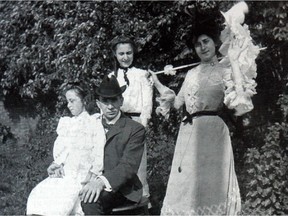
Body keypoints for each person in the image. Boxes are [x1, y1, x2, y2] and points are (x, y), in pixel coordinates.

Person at [151, 21, 257, 215]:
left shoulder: (225, 71)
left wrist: (233, 61)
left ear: (215, 43)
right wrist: (159, 82)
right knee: (186, 185)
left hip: (212, 133)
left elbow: (240, 101)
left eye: (206, 41)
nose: (203, 47)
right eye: (198, 44)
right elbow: (176, 103)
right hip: (188, 133)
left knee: (210, 185)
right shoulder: (191, 73)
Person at [26, 83, 106, 216]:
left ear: (84, 101)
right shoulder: (68, 124)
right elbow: (63, 152)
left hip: (83, 177)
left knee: (60, 205)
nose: (69, 105)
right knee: (39, 198)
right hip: (66, 175)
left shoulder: (94, 122)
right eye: (67, 101)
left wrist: (93, 174)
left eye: (72, 101)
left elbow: (99, 152)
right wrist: (56, 164)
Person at [79, 75, 145, 215]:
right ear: (98, 104)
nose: (110, 106)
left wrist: (101, 182)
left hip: (122, 188)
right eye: (105, 101)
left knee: (89, 199)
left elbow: (128, 166)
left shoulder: (134, 128)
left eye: (114, 100)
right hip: (88, 179)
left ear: (121, 101)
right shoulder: (91, 125)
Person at [108, 35, 153, 198]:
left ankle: (141, 201)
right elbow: (107, 103)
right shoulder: (111, 76)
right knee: (117, 161)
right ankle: (120, 200)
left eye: (129, 53)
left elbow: (147, 102)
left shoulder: (142, 75)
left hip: (135, 122)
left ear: (133, 54)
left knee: (138, 162)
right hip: (117, 122)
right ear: (115, 55)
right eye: (121, 54)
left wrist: (143, 123)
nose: (125, 57)